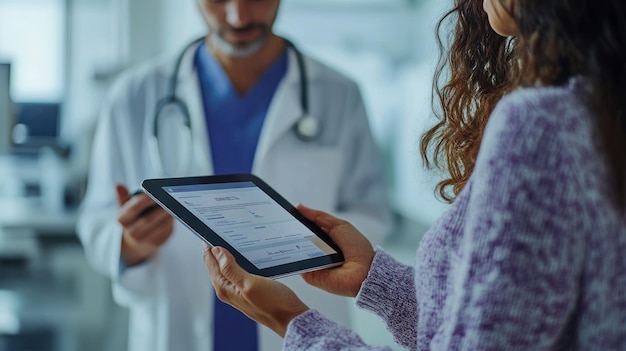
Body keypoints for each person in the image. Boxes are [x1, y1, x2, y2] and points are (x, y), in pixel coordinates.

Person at [203, 0, 626, 349]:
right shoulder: (601, 110)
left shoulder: (538, 124)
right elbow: (505, 322)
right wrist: (377, 280)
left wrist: (291, 319)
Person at [76, 0, 393, 350]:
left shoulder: (339, 94)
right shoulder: (134, 95)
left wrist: (307, 240)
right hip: (178, 326)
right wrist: (132, 244)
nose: (237, 16)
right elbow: (98, 221)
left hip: (301, 321)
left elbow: (371, 212)